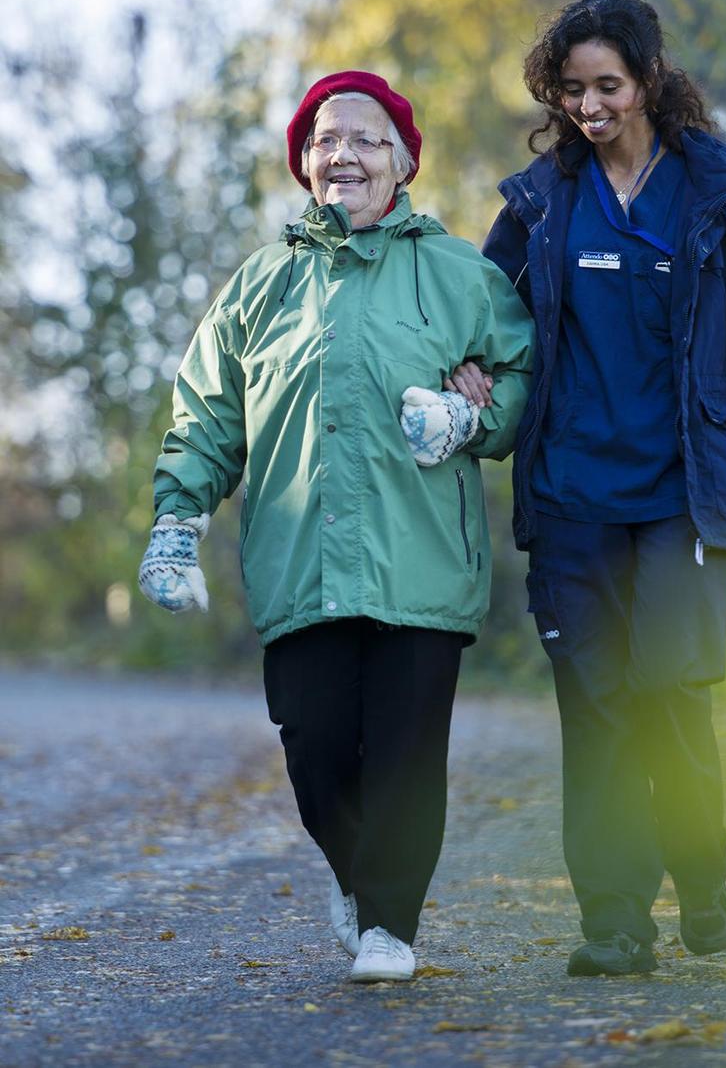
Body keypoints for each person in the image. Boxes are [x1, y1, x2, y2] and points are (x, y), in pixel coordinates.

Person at [476, 0, 726, 976]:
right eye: (572, 88)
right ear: (553, 93)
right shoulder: (542, 201)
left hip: (684, 490)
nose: (590, 105)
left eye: (607, 85)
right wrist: (460, 370)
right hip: (569, 498)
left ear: (645, 80)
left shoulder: (711, 191)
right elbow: (480, 316)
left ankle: (702, 871)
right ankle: (612, 921)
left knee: (670, 695)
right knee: (594, 710)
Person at [137, 71, 533, 983]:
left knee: (405, 756)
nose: (342, 152)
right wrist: (176, 521)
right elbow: (207, 415)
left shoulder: (458, 274)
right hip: (299, 564)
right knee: (316, 755)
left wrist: (472, 416)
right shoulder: (260, 283)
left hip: (422, 563)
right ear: (304, 163)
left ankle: (391, 924)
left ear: (402, 160)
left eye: (363, 137)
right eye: (324, 139)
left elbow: (523, 383)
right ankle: (359, 882)